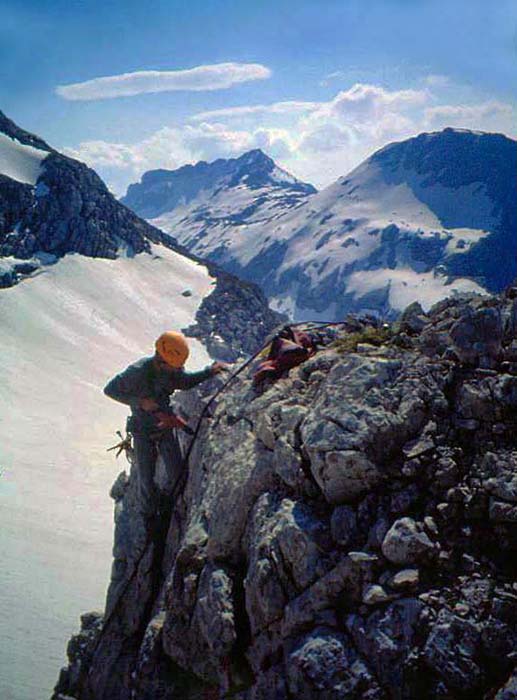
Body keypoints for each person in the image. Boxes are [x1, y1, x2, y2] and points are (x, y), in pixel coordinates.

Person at [104, 331, 226, 516]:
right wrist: (140, 402)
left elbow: (184, 382)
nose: (177, 370)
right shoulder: (138, 371)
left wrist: (209, 372)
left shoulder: (172, 367)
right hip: (142, 429)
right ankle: (150, 518)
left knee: (178, 473)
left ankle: (172, 507)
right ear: (160, 360)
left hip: (165, 423)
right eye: (173, 367)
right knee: (146, 480)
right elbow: (110, 389)